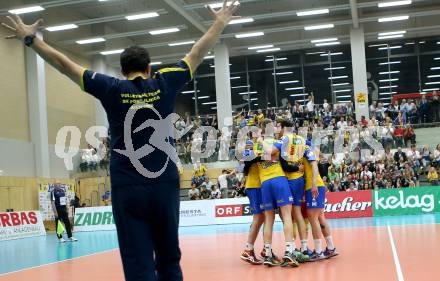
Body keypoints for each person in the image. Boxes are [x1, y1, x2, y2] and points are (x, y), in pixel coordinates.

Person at [1, 2, 241, 280]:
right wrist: (219, 22)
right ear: (149, 68)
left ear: (122, 69)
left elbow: (65, 65)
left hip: (127, 187)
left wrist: (31, 40)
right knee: (169, 259)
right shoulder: (164, 82)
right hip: (164, 184)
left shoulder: (111, 87)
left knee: (138, 264)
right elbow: (197, 52)